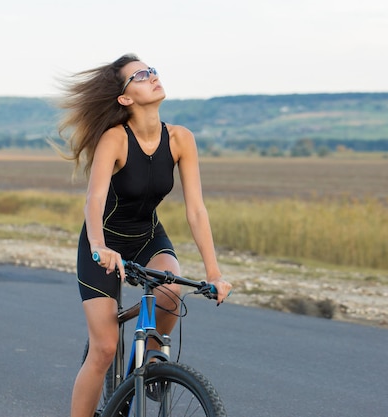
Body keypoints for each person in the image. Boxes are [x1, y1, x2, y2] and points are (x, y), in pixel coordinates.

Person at [56, 53, 232, 417]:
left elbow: (196, 210)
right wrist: (99, 247)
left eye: (152, 70)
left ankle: (150, 364)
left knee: (170, 288)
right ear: (125, 98)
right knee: (104, 348)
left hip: (149, 237)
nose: (152, 76)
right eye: (140, 75)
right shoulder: (114, 140)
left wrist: (214, 272)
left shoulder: (181, 139)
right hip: (103, 242)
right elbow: (94, 199)